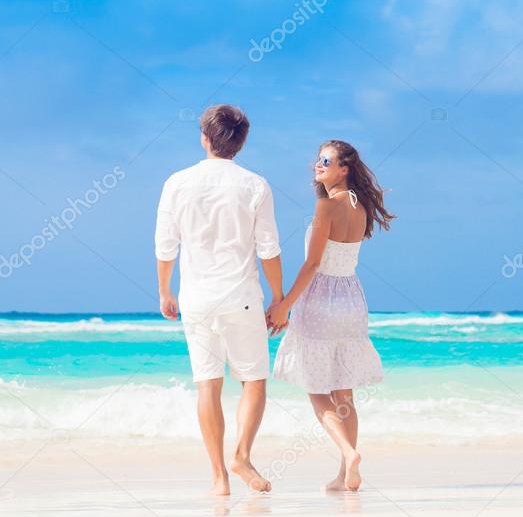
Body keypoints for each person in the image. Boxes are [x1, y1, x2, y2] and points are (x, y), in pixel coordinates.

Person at [155, 104, 283, 496]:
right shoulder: (255, 185)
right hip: (241, 295)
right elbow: (268, 250)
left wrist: (165, 290)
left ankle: (218, 478)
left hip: (196, 298)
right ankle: (242, 455)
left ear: (205, 138)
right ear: (241, 143)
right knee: (254, 382)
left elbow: (165, 245)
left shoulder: (177, 182)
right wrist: (279, 297)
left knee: (207, 386)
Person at [268, 139, 392, 492]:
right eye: (317, 160)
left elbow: (312, 264)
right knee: (344, 391)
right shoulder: (360, 207)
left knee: (315, 387)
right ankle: (345, 473)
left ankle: (349, 453)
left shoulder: (326, 207)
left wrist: (284, 304)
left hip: (321, 300)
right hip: (351, 299)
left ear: (344, 169)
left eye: (326, 161)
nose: (318, 165)